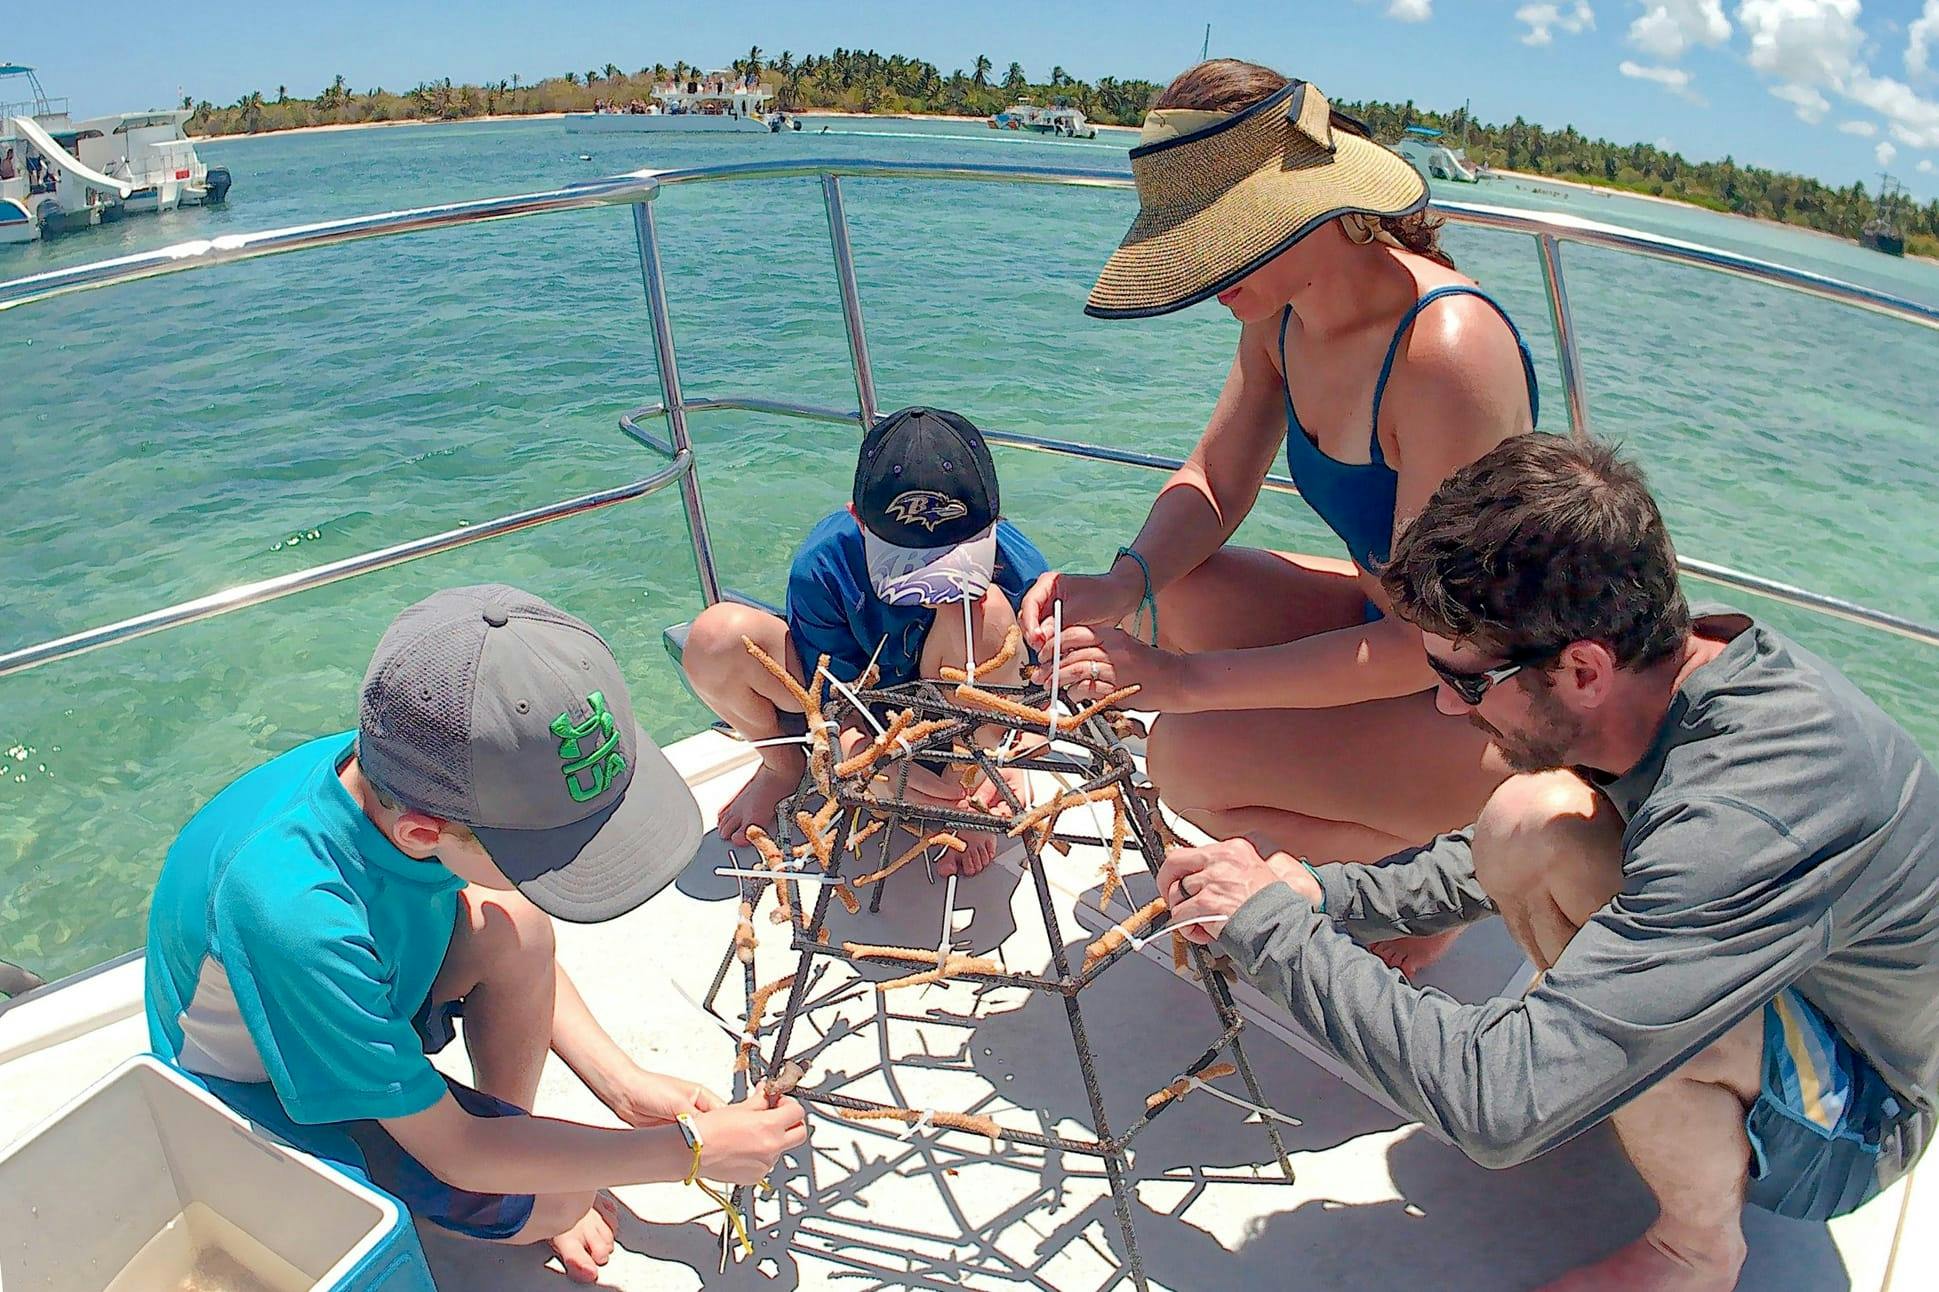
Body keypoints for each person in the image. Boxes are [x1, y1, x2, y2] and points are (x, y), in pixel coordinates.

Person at [1158, 434, 1937, 1292]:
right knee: (1529, 816)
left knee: (1571, 1049)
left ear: (1581, 666)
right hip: (1781, 978)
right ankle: (1615, 1068)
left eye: (1462, 680)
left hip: (1858, 1124)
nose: (1448, 707)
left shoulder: (1744, 813)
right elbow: (1507, 853)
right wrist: (1319, 893)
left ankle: (1695, 1256)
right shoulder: (1666, 680)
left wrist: (1267, 929)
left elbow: (1497, 1110)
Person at [1023, 60, 1542, 975]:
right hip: (1396, 632)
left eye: (1220, 238)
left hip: (1492, 701)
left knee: (1183, 758)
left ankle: (1436, 879)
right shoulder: (1281, 313)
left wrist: (1180, 683)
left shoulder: (1446, 352)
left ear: (1310, 205)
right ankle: (1390, 849)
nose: (1204, 270)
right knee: (1189, 591)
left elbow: (1437, 640)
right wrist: (1120, 583)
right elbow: (1218, 478)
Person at [146, 585, 808, 1284]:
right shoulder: (292, 912)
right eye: (548, 855)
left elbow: (497, 917)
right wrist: (688, 1152)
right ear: (422, 834)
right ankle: (517, 1169)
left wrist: (624, 1086)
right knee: (558, 1199)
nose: (570, 864)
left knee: (514, 924)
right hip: (263, 1092)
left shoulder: (405, 776)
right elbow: (455, 1150)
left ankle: (514, 1143)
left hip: (362, 988)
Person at [683, 406, 1048, 873]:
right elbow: (830, 697)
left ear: (995, 524)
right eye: (909, 565)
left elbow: (1037, 689)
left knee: (988, 609)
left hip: (961, 725)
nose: (930, 587)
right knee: (716, 639)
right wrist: (858, 755)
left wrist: (1009, 748)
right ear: (856, 518)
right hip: (861, 703)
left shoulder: (1020, 566)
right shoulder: (823, 564)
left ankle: (969, 781)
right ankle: (781, 766)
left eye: (952, 561)